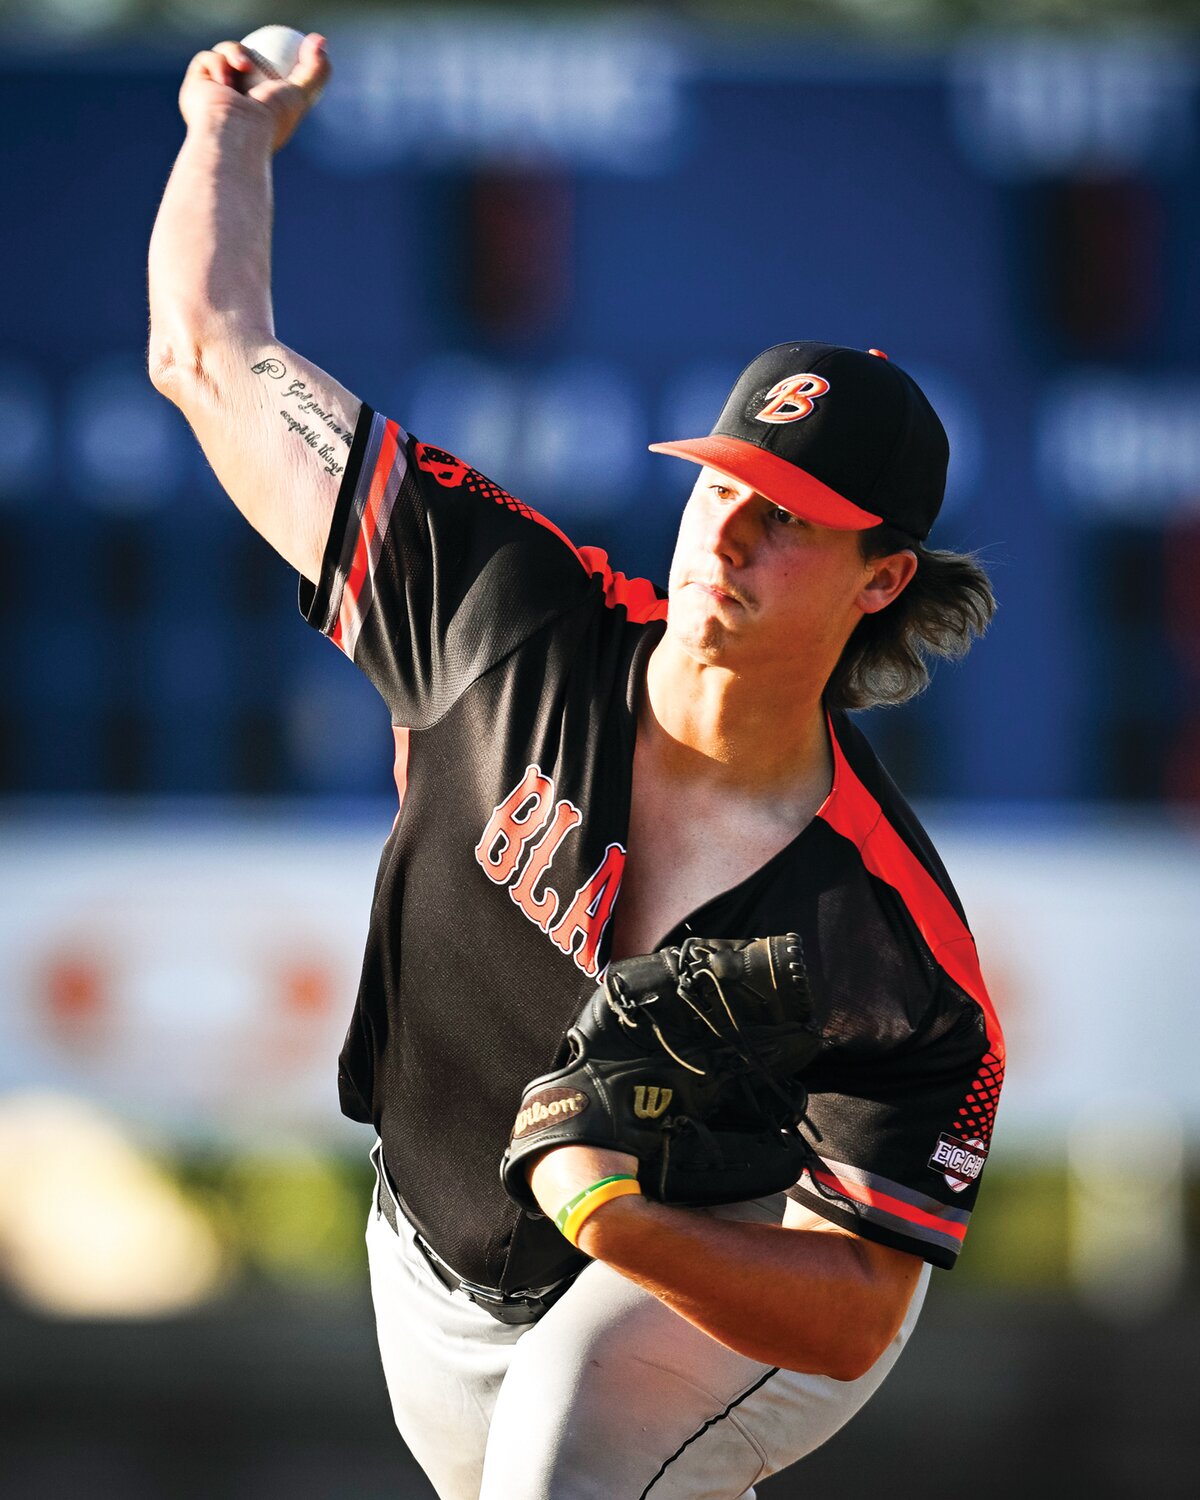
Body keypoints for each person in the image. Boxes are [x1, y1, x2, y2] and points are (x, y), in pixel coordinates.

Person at [148, 34, 1004, 1500]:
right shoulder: (506, 615)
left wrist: (623, 1225)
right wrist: (226, 119)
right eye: (722, 483)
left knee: (562, 1459)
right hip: (425, 1270)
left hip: (716, 1290)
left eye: (788, 518)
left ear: (880, 579)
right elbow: (210, 356)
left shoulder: (888, 942)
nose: (727, 531)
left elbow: (856, 1311)